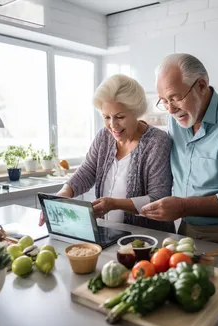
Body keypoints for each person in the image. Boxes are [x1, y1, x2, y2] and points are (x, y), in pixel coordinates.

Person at [140, 53, 218, 252]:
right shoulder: (175, 122)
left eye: (175, 98)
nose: (170, 110)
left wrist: (183, 207)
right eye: (164, 101)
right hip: (188, 229)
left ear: (201, 85)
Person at [39, 74, 174, 232]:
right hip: (109, 234)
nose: (113, 125)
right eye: (106, 117)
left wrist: (114, 204)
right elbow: (88, 170)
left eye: (120, 117)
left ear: (136, 112)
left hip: (149, 239)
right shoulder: (104, 136)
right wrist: (63, 193)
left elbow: (157, 198)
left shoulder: (157, 142)